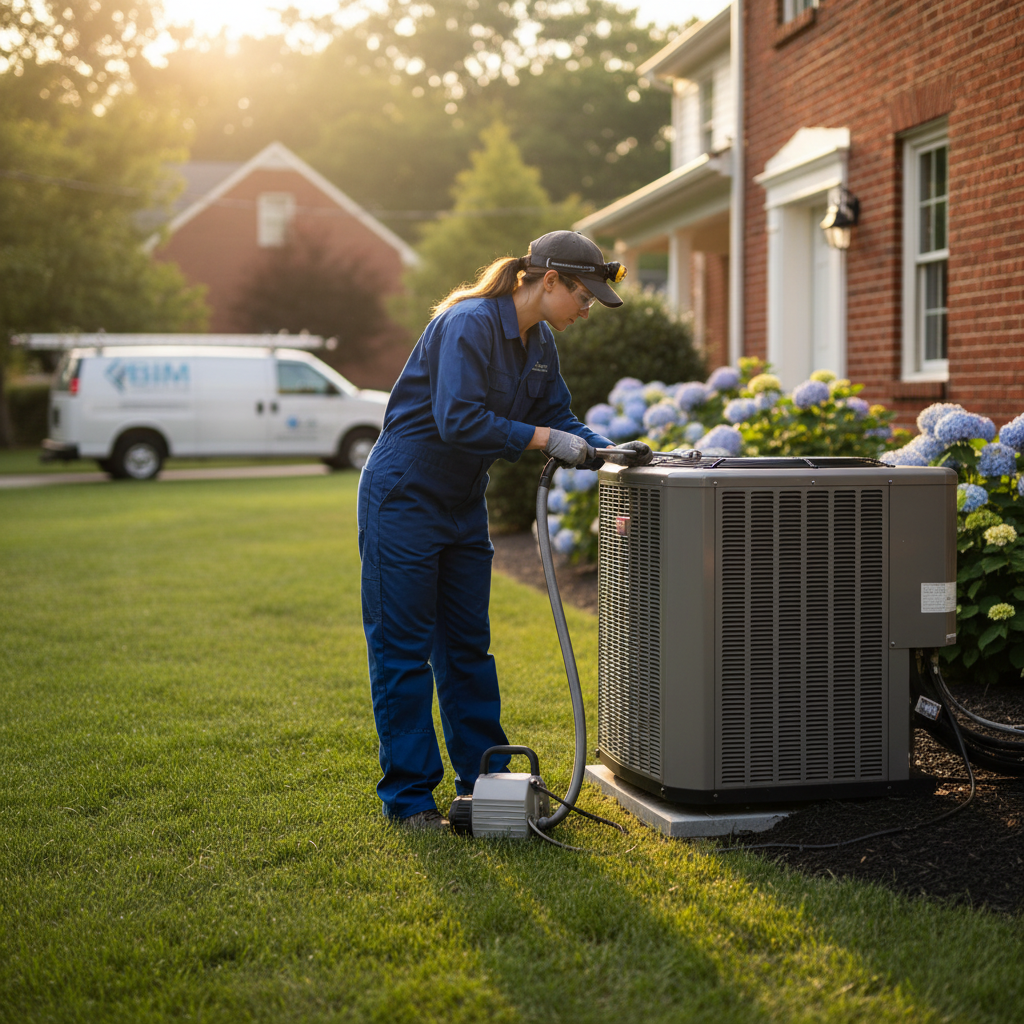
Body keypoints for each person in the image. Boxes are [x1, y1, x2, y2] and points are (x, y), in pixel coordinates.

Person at [357, 230, 652, 829]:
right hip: (404, 497)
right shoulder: (467, 323)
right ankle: (410, 801)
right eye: (583, 296)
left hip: (463, 504)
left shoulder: (539, 341)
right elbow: (458, 418)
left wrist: (607, 449)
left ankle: (484, 783)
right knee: (404, 651)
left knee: (467, 647)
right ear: (548, 281)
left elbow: (556, 414)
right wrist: (547, 442)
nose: (587, 308)